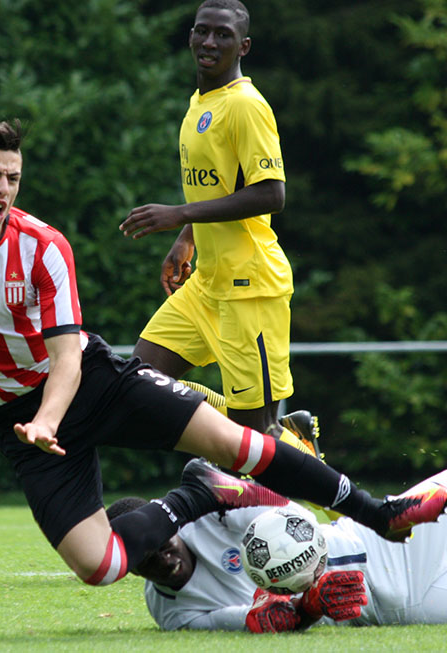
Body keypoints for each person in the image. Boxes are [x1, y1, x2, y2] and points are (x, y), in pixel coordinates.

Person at [0, 116, 447, 589]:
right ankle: (200, 494)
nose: (4, 190)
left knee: (238, 441)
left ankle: (378, 511)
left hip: (91, 382)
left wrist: (50, 418)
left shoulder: (44, 244)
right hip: (16, 422)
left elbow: (68, 356)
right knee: (100, 566)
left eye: (14, 177)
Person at [109, 446, 447, 631]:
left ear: (168, 526)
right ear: (128, 568)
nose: (160, 560)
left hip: (383, 533)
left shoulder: (205, 513)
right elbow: (255, 621)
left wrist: (226, 486)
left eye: (160, 544)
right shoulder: (170, 611)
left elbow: (292, 515)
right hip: (392, 605)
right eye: (144, 562)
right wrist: (309, 606)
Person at [120, 0, 293, 434]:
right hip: (207, 285)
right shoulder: (201, 102)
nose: (209, 42)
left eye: (223, 35)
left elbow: (272, 193)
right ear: (191, 36)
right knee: (135, 385)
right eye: (202, 31)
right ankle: (281, 431)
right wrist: (187, 239)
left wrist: (178, 215)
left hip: (249, 288)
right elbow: (219, 185)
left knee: (255, 444)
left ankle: (337, 489)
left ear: (244, 47)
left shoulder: (246, 106)